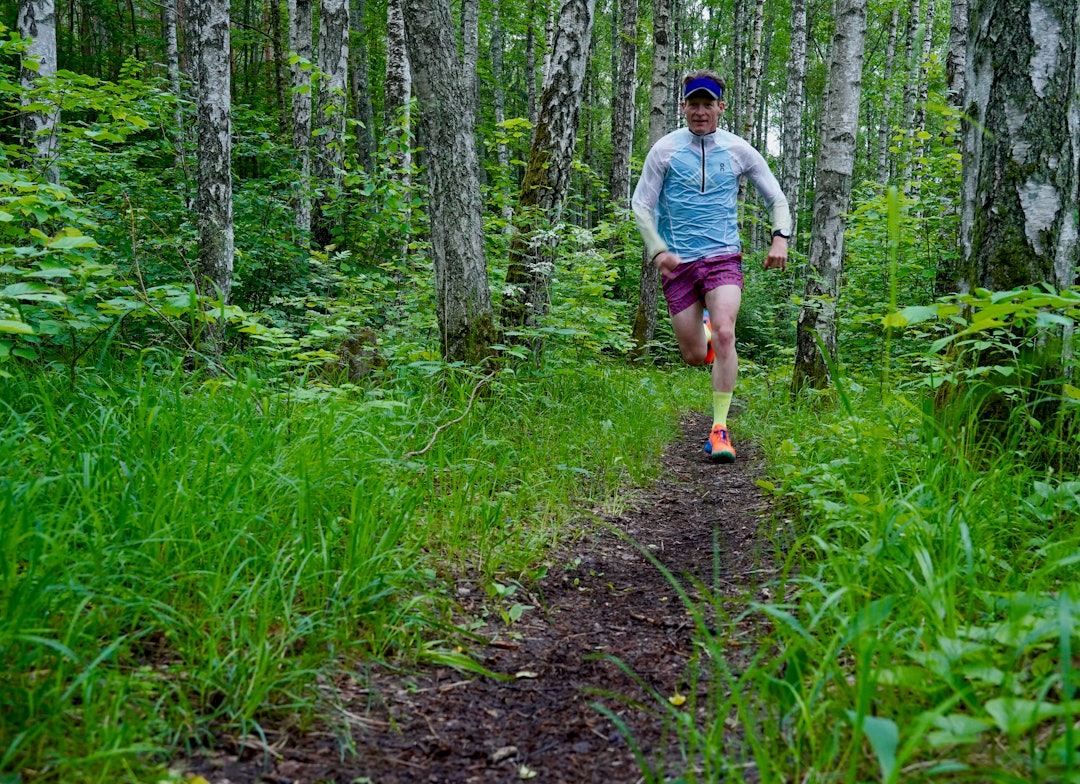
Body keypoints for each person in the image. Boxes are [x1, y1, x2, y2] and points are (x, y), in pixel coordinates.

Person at [632, 69, 791, 463]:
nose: (700, 112)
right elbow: (640, 205)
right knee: (691, 355)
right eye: (693, 104)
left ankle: (719, 429)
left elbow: (778, 199)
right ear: (683, 106)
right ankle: (702, 334)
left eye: (708, 104)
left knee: (725, 333)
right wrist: (657, 250)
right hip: (679, 263)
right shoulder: (665, 150)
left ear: (721, 107)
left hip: (723, 257)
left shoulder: (739, 150)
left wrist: (779, 238)